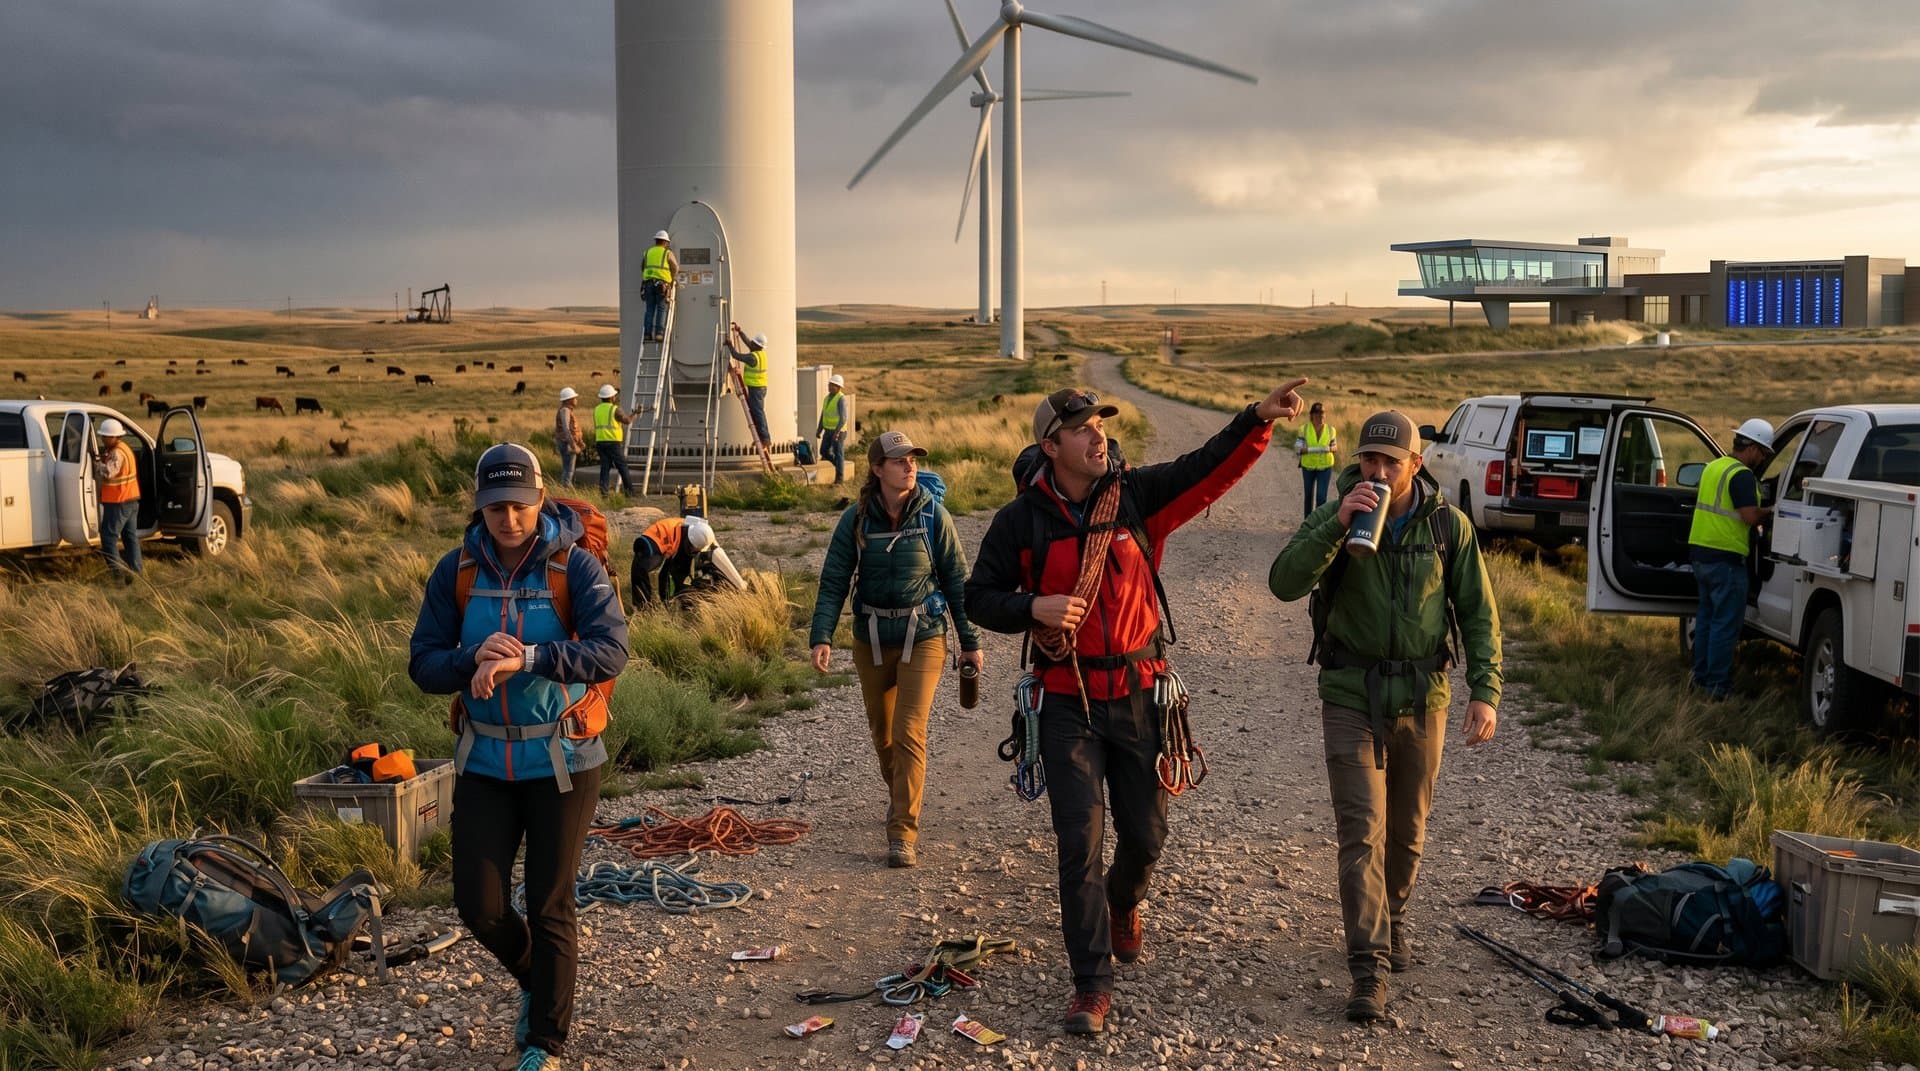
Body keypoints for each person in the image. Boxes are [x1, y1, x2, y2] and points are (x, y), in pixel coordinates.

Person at [965, 380, 1305, 1034]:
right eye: (1083, 428)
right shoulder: (1020, 521)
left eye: (1101, 424)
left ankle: (1125, 901)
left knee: (1147, 835)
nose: (1099, 436)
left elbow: (1208, 468)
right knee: (1078, 843)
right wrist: (1029, 607)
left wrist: (1256, 420)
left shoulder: (1138, 498)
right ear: (1051, 445)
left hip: (1142, 697)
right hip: (1065, 701)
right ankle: (1091, 984)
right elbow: (979, 595)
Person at [1267, 410, 1501, 1024]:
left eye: (1389, 463)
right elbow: (1283, 583)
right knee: (1361, 832)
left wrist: (1486, 691)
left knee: (1408, 832)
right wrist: (1335, 525)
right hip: (1350, 693)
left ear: (1414, 467)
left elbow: (1478, 611)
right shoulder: (1338, 512)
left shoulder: (1447, 527)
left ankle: (1393, 918)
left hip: (1425, 698)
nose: (1376, 471)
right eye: (1369, 459)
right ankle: (1368, 967)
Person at [407, 443, 629, 1070]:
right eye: (496, 507)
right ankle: (537, 979)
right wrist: (470, 660)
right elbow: (422, 663)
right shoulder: (457, 572)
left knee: (549, 901)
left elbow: (610, 652)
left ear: (539, 501)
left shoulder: (573, 569)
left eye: (520, 505)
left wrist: (526, 658)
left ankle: (546, 1040)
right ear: (480, 508)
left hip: (564, 761)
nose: (509, 519)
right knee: (478, 904)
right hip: (483, 763)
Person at [811, 430, 982, 868]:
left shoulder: (933, 517)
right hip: (869, 637)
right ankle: (902, 796)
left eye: (913, 459)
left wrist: (969, 642)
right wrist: (822, 636)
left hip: (923, 635)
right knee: (883, 735)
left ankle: (902, 832)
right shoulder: (856, 519)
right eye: (899, 460)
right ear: (877, 469)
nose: (910, 466)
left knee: (909, 732)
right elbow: (834, 580)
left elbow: (957, 582)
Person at [1689, 417, 1775, 700]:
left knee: (1706, 620)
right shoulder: (1741, 475)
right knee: (1725, 626)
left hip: (1701, 554)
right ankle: (1717, 688)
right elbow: (1749, 516)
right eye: (1763, 453)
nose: (1762, 459)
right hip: (1726, 559)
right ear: (1752, 448)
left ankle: (1700, 680)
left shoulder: (1714, 467)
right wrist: (1773, 512)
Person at [629, 514, 746, 610]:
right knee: (641, 569)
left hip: (669, 543)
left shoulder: (702, 532)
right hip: (652, 540)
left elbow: (718, 554)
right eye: (693, 549)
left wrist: (739, 583)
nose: (694, 552)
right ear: (690, 541)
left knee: (673, 576)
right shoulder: (686, 535)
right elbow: (669, 572)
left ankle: (672, 602)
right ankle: (643, 607)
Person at [93, 418, 142, 581]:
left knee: (108, 538)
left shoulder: (117, 453)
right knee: (130, 537)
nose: (102, 439)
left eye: (105, 436)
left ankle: (119, 574)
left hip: (118, 502)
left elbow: (108, 472)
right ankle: (136, 573)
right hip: (130, 499)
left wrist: (97, 464)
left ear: (113, 437)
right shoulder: (124, 449)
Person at [725, 322, 772, 448]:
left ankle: (765, 439)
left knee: (758, 413)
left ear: (757, 345)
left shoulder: (753, 357)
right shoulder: (760, 353)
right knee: (757, 412)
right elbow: (749, 343)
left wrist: (729, 345)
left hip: (757, 389)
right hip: (759, 387)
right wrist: (740, 332)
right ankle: (762, 437)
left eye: (754, 343)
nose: (751, 343)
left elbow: (736, 356)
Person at [590, 383, 634, 495]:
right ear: (611, 397)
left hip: (600, 442)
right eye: (614, 395)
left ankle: (604, 493)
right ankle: (629, 492)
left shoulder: (597, 410)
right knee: (622, 467)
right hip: (613, 443)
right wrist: (635, 414)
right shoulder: (615, 409)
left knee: (605, 468)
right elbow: (627, 421)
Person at [1296, 401, 1338, 514]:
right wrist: (1318, 449)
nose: (1321, 415)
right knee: (1308, 495)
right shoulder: (1303, 429)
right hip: (1308, 467)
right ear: (1312, 415)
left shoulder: (1331, 430)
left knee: (1321, 497)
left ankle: (1318, 524)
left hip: (1325, 467)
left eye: (1323, 413)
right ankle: (1308, 524)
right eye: (1318, 413)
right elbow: (1298, 449)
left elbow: (1334, 447)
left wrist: (1327, 449)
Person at [641, 230, 678, 343]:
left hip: (648, 284)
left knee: (649, 309)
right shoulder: (667, 253)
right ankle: (659, 334)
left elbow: (642, 267)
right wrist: (671, 280)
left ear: (656, 240)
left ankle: (647, 334)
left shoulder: (647, 252)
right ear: (666, 242)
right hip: (662, 285)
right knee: (661, 309)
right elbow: (675, 268)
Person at [816, 373, 850, 484]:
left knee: (838, 453)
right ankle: (839, 465)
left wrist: (837, 432)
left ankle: (839, 480)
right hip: (828, 430)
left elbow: (843, 418)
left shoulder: (841, 399)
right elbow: (823, 415)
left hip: (838, 432)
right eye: (829, 384)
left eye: (833, 385)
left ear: (839, 387)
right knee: (823, 451)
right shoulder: (827, 398)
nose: (830, 387)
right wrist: (819, 429)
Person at [553, 387, 584, 489]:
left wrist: (579, 441)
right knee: (569, 469)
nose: (576, 400)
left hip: (565, 442)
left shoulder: (566, 410)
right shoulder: (565, 411)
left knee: (567, 468)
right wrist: (573, 445)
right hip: (566, 443)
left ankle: (565, 489)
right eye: (574, 398)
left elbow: (572, 429)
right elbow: (566, 429)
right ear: (569, 399)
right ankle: (567, 490)